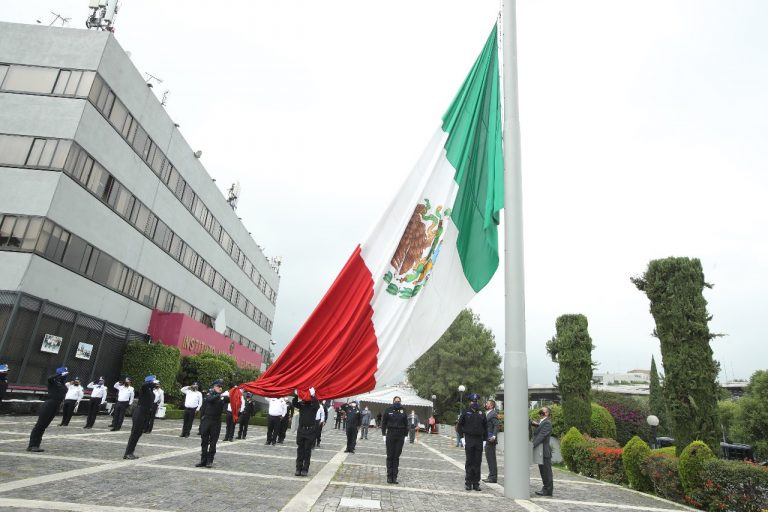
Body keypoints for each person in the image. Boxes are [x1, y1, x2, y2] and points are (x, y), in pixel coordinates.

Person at [27, 366, 69, 452]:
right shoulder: (53, 382)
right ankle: (32, 445)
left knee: (44, 425)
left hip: (56, 405)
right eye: (65, 373)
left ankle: (36, 444)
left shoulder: (62, 383)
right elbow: (49, 378)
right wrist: (59, 374)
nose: (66, 375)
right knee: (40, 425)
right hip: (49, 404)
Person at [196, 379, 229, 468]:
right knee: (204, 441)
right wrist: (220, 395)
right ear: (214, 386)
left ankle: (210, 461)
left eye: (221, 386)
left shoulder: (223, 397)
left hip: (216, 422)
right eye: (218, 386)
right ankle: (203, 460)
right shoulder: (210, 394)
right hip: (206, 420)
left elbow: (230, 399)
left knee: (213, 442)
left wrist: (234, 391)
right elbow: (210, 399)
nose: (220, 388)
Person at [457, 393, 487, 491]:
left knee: (477, 462)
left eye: (476, 401)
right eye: (473, 401)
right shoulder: (465, 412)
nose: (474, 403)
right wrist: (462, 438)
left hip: (479, 439)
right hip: (469, 439)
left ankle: (476, 483)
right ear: (470, 402)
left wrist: (485, 440)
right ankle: (468, 482)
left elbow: (485, 427)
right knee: (469, 461)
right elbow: (459, 426)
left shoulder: (482, 413)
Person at [123, 375, 157, 459]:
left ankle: (130, 452)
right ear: (149, 382)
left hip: (146, 413)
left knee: (138, 433)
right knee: (135, 433)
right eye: (153, 381)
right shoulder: (145, 389)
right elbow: (143, 385)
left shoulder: (151, 391)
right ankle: (128, 453)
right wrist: (150, 383)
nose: (155, 383)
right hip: (140, 412)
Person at [292, 387, 319, 476]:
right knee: (300, 450)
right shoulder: (302, 404)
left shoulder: (313, 405)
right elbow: (294, 403)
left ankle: (305, 469)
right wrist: (296, 395)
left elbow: (317, 405)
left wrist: (313, 396)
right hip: (301, 430)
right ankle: (298, 468)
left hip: (310, 430)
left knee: (307, 451)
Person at [381, 396, 407, 484]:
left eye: (399, 401)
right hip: (391, 434)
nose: (397, 402)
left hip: (400, 435)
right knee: (390, 456)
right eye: (396, 401)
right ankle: (389, 477)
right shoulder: (388, 410)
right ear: (393, 401)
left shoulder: (403, 410)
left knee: (396, 457)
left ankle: (394, 477)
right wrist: (383, 434)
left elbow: (406, 423)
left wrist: (406, 435)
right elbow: (383, 423)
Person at [532, 406, 553, 497]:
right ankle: (545, 489)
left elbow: (542, 436)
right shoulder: (541, 422)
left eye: (543, 410)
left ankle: (548, 490)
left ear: (547, 413)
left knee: (546, 472)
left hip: (544, 451)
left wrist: (532, 445)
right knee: (542, 471)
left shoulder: (547, 422)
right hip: (540, 451)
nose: (540, 411)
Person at [483, 399, 500, 483]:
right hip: (487, 438)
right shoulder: (488, 413)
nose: (486, 404)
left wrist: (494, 436)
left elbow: (496, 425)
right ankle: (491, 476)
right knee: (489, 458)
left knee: (491, 459)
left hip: (491, 439)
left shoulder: (493, 414)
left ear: (492, 405)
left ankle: (493, 477)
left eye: (487, 403)